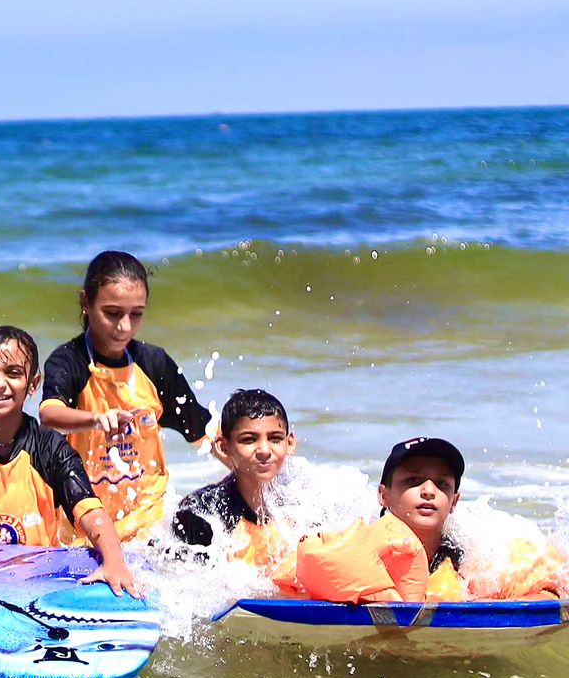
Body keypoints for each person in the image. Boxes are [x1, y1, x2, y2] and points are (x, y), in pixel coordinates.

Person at [0, 326, 142, 596]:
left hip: (42, 575)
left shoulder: (50, 446)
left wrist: (114, 562)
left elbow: (89, 511)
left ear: (33, 384)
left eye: (13, 373)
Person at [38, 251, 211, 540]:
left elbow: (202, 433)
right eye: (113, 313)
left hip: (149, 519)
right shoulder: (68, 361)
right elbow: (49, 415)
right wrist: (96, 419)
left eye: (137, 314)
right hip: (84, 522)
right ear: (86, 303)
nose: (124, 327)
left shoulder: (155, 363)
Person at [274, 437, 564, 602]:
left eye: (442, 484)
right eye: (413, 480)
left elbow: (549, 595)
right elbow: (287, 586)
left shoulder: (474, 559)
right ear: (383, 496)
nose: (428, 491)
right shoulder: (351, 546)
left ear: (454, 502)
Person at [169, 388, 297, 569]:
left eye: (275, 438)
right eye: (249, 440)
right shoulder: (202, 515)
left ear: (290, 443)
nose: (264, 451)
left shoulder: (301, 505)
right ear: (223, 447)